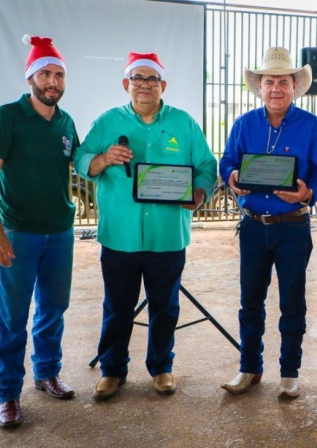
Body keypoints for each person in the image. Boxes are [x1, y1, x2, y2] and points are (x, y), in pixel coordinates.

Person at [73, 52, 217, 400]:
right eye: (137, 79)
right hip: (119, 236)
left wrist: (199, 192)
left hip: (167, 235)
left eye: (152, 79)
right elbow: (80, 160)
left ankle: (162, 367)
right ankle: (112, 370)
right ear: (127, 85)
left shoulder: (183, 123)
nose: (144, 85)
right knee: (117, 306)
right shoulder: (108, 121)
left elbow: (206, 165)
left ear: (162, 85)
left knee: (165, 306)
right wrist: (103, 158)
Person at [219, 47, 317, 398]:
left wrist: (307, 193)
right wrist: (233, 174)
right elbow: (226, 162)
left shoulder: (312, 126)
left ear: (295, 87)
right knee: (249, 302)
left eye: (283, 82)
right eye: (269, 82)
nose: (276, 89)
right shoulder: (244, 124)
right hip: (253, 226)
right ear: (259, 87)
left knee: (292, 303)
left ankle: (289, 372)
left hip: (292, 226)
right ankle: (249, 369)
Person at [0, 35, 79, 428]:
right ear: (30, 78)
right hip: (18, 234)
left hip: (60, 233)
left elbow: (78, 167)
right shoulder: (6, 117)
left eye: (58, 74)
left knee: (53, 309)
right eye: (45, 74)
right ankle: (7, 394)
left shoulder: (67, 122)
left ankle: (47, 373)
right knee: (11, 316)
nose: (52, 81)